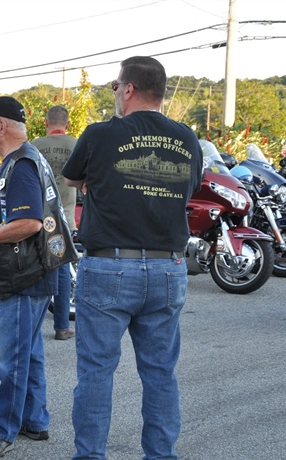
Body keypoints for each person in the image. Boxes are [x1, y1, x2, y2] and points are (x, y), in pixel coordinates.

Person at [62, 56, 203, 460]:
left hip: (109, 264)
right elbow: (191, 185)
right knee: (160, 373)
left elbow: (71, 177)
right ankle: (161, 455)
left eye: (115, 87)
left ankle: (90, 456)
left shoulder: (100, 134)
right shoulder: (187, 138)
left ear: (127, 89)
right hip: (168, 266)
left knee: (96, 371)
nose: (115, 94)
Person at [0, 96, 78, 459]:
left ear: (0, 125)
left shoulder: (20, 165)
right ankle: (35, 419)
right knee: (28, 353)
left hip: (23, 276)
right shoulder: (29, 157)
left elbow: (29, 223)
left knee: (12, 358)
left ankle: (1, 431)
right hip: (37, 271)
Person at [31, 105, 78, 341]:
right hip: (64, 219)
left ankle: (33, 326)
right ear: (67, 124)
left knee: (34, 270)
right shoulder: (76, 145)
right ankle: (61, 326)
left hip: (37, 218)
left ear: (45, 123)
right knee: (61, 271)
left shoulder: (34, 146)